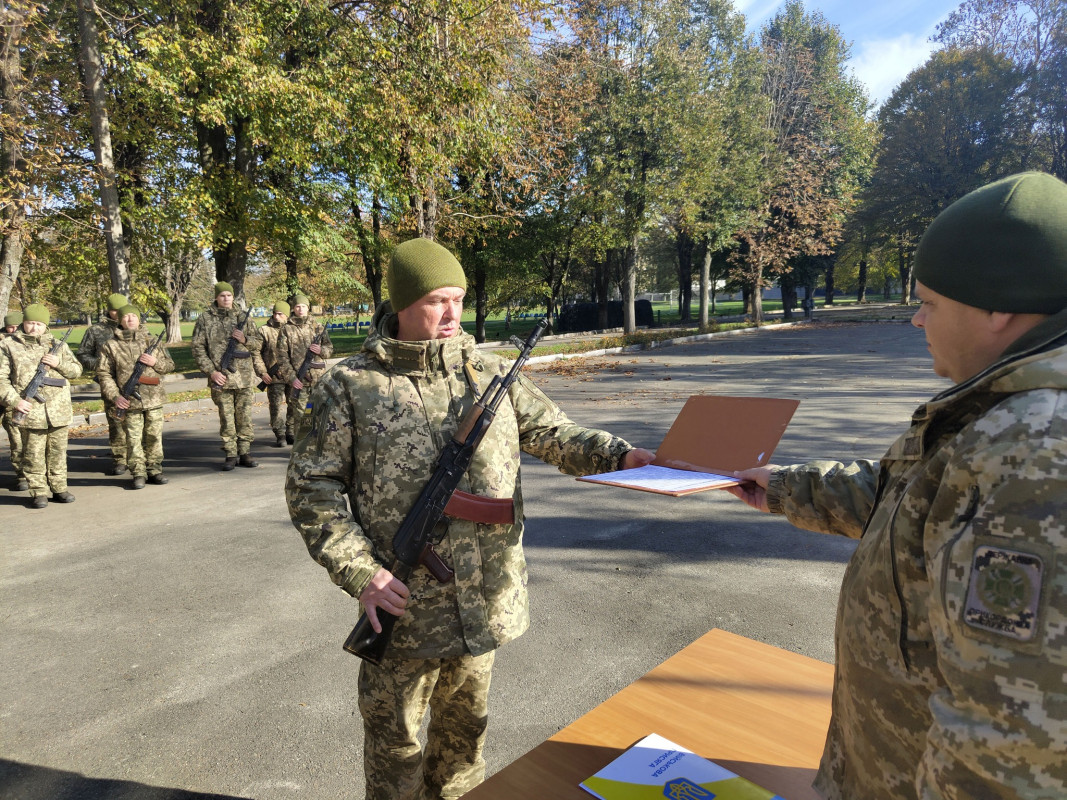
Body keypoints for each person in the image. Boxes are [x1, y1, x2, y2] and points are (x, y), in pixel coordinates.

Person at [726, 172, 1067, 800]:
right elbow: (905, 496)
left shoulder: (1037, 451)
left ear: (999, 307)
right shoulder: (997, 410)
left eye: (930, 302)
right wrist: (782, 486)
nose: (915, 319)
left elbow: (1007, 751)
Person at [285, 238, 655, 800]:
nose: (452, 314)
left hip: (482, 603)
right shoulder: (349, 386)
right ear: (402, 304)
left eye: (457, 298)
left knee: (463, 749)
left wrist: (622, 456)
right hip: (403, 609)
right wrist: (362, 572)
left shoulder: (490, 374)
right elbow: (312, 487)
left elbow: (554, 433)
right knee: (396, 755)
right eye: (437, 301)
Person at [0, 304, 83, 508]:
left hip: (59, 409)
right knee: (33, 453)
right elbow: (1, 379)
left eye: (39, 324)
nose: (35, 328)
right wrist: (15, 401)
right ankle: (38, 491)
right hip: (29, 409)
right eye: (30, 323)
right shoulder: (8, 345)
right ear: (23, 323)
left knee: (58, 452)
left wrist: (58, 363)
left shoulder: (58, 345)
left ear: (46, 325)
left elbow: (76, 371)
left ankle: (59, 487)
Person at [97, 305, 175, 489]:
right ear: (120, 320)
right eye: (126, 316)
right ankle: (138, 472)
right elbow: (104, 374)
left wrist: (156, 362)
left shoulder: (152, 341)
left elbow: (170, 365)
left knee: (154, 436)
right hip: (128, 400)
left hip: (154, 399)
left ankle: (155, 469)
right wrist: (116, 396)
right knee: (133, 438)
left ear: (139, 319)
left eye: (134, 316)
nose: (130, 319)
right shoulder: (111, 345)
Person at [191, 282, 260, 471]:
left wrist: (244, 339)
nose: (226, 298)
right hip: (220, 377)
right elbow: (197, 348)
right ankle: (230, 453)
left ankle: (245, 452)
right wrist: (212, 372)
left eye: (229, 295)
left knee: (244, 417)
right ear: (216, 298)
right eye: (222, 295)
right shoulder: (205, 319)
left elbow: (259, 343)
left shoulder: (244, 317)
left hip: (244, 377)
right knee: (227, 418)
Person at [76, 292, 129, 475]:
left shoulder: (134, 327)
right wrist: (100, 366)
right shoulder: (96, 331)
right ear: (109, 310)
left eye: (122, 309)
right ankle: (120, 458)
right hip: (109, 382)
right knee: (116, 421)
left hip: (134, 381)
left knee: (139, 421)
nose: (120, 314)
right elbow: (82, 354)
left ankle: (138, 456)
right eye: (116, 310)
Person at [275, 293, 332, 446]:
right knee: (301, 417)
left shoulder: (318, 327)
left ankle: (317, 448)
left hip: (318, 380)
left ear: (308, 308)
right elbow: (281, 357)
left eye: (304, 306)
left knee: (319, 414)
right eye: (298, 306)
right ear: (293, 308)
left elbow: (329, 349)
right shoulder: (287, 329)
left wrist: (320, 350)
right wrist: (292, 378)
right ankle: (302, 450)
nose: (301, 309)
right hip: (299, 381)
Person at [250, 300, 289, 447]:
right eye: (275, 313)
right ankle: (280, 434)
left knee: (294, 405)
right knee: (276, 407)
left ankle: (291, 432)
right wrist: (262, 372)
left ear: (286, 315)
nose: (276, 316)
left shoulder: (291, 329)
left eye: (280, 314)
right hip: (273, 377)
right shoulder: (264, 331)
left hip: (292, 375)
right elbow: (256, 353)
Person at [1, 311, 26, 490]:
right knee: (17, 441)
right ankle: (21, 475)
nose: (13, 329)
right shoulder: (4, 345)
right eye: (10, 327)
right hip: (6, 400)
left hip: (24, 398)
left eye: (16, 326)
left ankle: (32, 474)